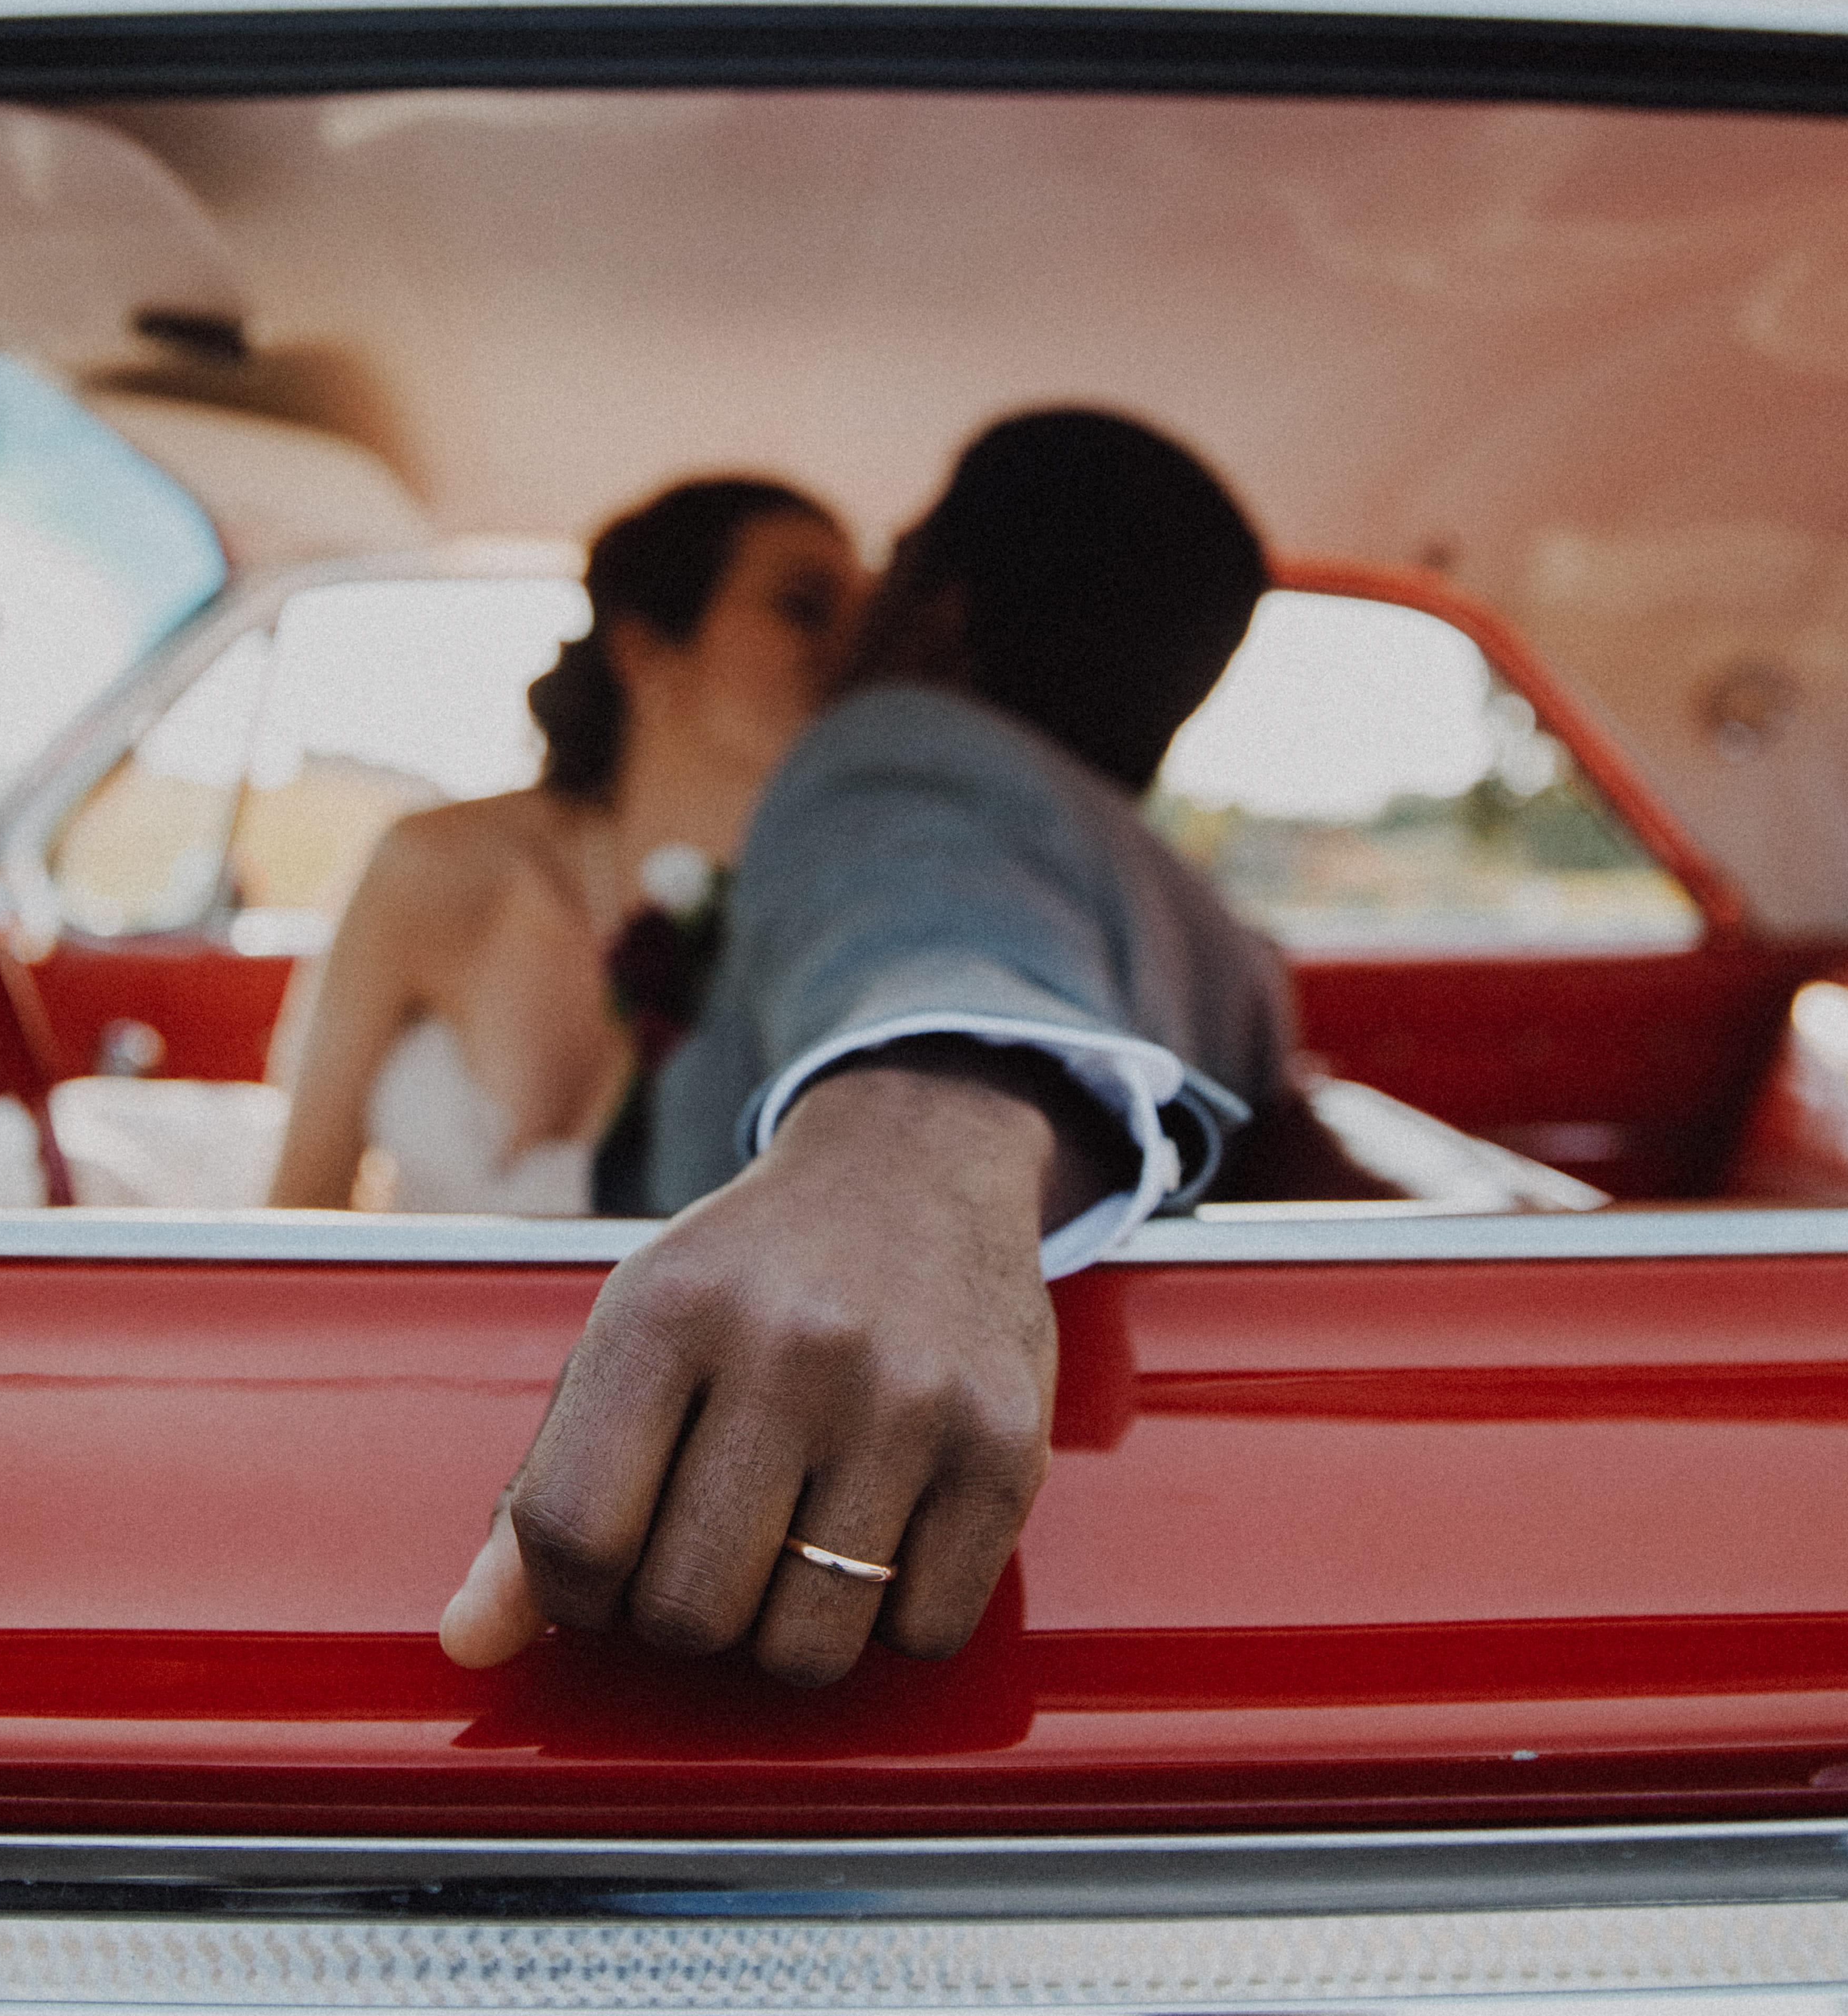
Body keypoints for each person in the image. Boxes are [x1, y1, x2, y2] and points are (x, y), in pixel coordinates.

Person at [440, 407, 1297, 1687]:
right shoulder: (1209, 916)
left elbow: (929, 929)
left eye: (890, 562)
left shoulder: (890, 750)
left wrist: (923, 1126)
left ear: (938, 612)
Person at [265, 476, 863, 1214]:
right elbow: (300, 1205)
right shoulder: (430, 867)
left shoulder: (831, 920)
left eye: (865, 622)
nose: (850, 652)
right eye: (803, 608)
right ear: (646, 650)